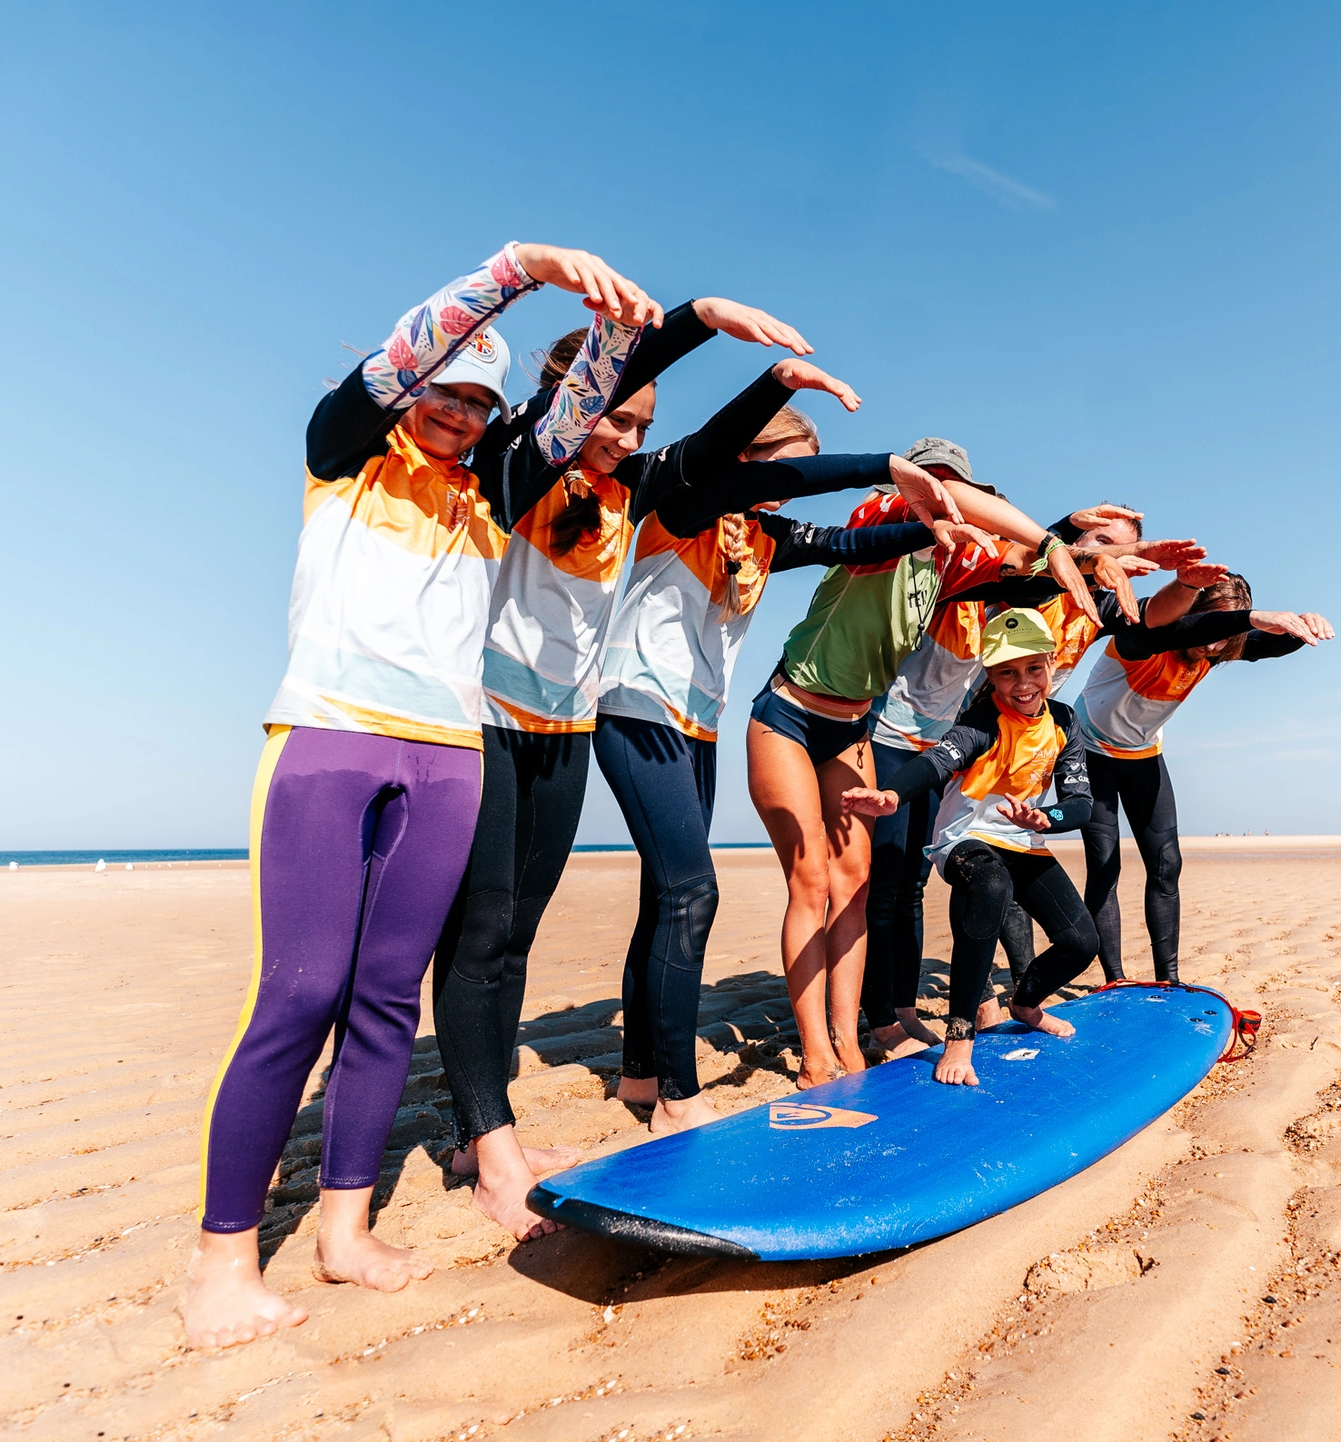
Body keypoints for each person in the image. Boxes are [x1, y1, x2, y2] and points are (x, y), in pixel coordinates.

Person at [184, 241, 657, 1352]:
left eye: (478, 400)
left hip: (449, 751)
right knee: (299, 995)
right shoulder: (343, 453)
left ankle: (344, 1232)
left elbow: (581, 398)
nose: (456, 408)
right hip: (331, 737)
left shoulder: (496, 490)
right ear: (414, 386)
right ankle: (220, 1263)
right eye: (443, 388)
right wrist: (518, 268)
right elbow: (402, 358)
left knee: (390, 994)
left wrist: (622, 331)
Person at [433, 296, 951, 1235]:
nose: (626, 435)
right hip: (552, 711)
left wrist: (937, 525)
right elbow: (694, 434)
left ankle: (565, 1097)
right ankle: (643, 1098)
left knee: (553, 919)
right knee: (657, 895)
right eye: (615, 416)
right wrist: (713, 327)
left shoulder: (736, 524)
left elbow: (848, 538)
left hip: (602, 719)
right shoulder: (602, 476)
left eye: (640, 424)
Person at [595, 406, 983, 1133]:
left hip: (701, 721)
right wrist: (884, 467)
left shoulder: (764, 534)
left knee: (677, 897)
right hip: (645, 707)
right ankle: (715, 1080)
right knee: (702, 890)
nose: (783, 489)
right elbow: (833, 507)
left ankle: (646, 1074)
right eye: (777, 469)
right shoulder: (688, 502)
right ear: (748, 457)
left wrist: (937, 532)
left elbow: (839, 539)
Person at [748, 440, 1100, 1088]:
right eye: (935, 484)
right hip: (865, 728)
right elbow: (955, 508)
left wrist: (1081, 548)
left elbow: (1020, 576)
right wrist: (1054, 537)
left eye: (956, 487)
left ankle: (897, 1013)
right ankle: (867, 1024)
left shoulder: (946, 568)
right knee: (861, 885)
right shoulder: (879, 520)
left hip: (895, 737)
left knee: (898, 884)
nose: (947, 497)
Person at [861, 507, 1227, 1047]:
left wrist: (1184, 585)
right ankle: (896, 1016)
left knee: (972, 873)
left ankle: (983, 1000)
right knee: (917, 880)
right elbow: (1027, 557)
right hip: (961, 732)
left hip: (1021, 747)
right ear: (1072, 540)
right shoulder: (1035, 577)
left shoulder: (1095, 607)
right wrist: (1071, 538)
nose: (1117, 555)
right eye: (1104, 541)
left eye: (1124, 547)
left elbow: (1154, 618)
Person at [839, 607, 1099, 1087]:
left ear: (1051, 663)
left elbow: (1080, 802)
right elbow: (939, 761)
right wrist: (893, 794)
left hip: (1025, 841)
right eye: (1007, 672)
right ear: (991, 678)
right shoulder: (982, 721)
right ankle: (960, 1035)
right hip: (966, 841)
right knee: (991, 885)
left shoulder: (1064, 721)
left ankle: (1025, 1003)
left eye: (1033, 669)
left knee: (1081, 943)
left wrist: (1048, 816)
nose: (1023, 683)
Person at [1076, 571, 1335, 983]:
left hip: (1143, 754)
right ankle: (1115, 979)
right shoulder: (1144, 636)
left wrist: (1302, 626)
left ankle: (1170, 980)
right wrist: (1251, 618)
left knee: (1166, 865)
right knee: (1105, 866)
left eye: (1224, 636)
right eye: (1212, 628)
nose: (1214, 644)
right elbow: (1191, 630)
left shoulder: (1215, 650)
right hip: (1089, 751)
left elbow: (1268, 645)